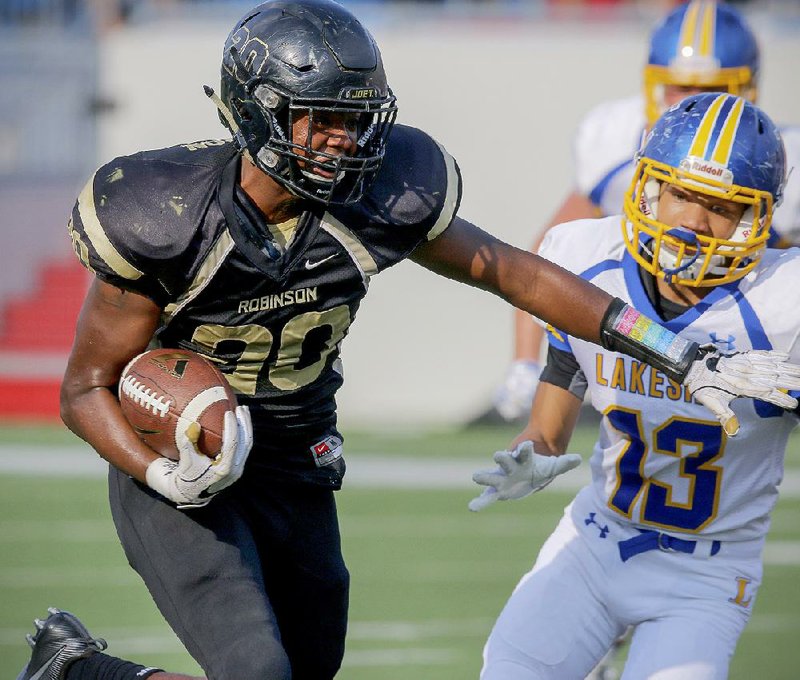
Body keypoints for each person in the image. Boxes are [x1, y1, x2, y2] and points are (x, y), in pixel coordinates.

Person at [17, 1, 800, 677]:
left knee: (310, 664)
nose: (344, 142)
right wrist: (161, 470)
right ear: (259, 112)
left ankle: (83, 674)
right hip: (185, 458)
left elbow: (514, 273)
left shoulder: (377, 195)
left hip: (294, 456)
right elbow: (82, 388)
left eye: (357, 120)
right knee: (257, 671)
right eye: (322, 120)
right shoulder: (165, 213)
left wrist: (668, 349)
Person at [471, 93, 800, 679]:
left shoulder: (783, 307)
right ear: (651, 189)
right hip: (597, 539)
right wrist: (536, 447)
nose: (696, 223)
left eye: (722, 207)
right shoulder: (589, 261)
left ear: (756, 219)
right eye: (683, 194)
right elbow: (564, 378)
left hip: (706, 572)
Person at [492, 0, 800, 423]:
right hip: (636, 336)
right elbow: (546, 265)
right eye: (681, 88)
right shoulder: (618, 139)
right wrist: (526, 365)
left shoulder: (774, 159)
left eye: (721, 206)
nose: (698, 101)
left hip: (743, 341)